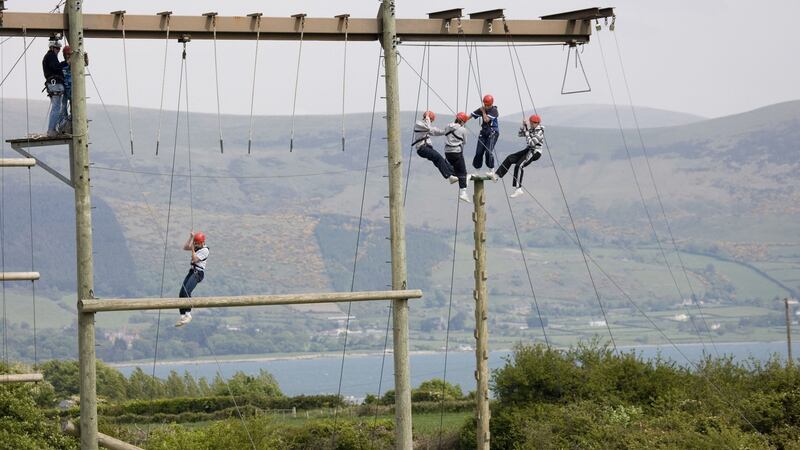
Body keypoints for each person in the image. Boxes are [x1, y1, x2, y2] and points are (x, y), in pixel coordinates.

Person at [491, 114, 544, 198]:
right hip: (528, 150)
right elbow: (520, 134)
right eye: (530, 123)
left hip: (535, 152)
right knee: (510, 158)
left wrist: (527, 132)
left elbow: (531, 143)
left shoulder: (540, 131)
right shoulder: (532, 129)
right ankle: (497, 175)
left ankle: (518, 189)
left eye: (532, 123)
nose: (531, 124)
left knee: (519, 166)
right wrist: (524, 126)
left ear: (537, 123)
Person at [411, 110, 459, 185]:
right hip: (422, 148)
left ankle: (456, 173)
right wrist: (427, 117)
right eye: (431, 120)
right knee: (438, 157)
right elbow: (429, 127)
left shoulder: (425, 126)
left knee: (441, 160)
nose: (431, 122)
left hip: (427, 148)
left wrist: (446, 131)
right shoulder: (419, 124)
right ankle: (449, 176)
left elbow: (435, 131)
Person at [176, 231, 209, 327]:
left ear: (202, 243)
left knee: (187, 291)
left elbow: (194, 259)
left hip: (198, 273)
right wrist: (191, 238)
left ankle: (188, 314)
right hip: (192, 271)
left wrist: (193, 249)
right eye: (196, 243)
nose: (196, 245)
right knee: (181, 293)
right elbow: (185, 247)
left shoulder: (205, 250)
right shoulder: (196, 246)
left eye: (198, 243)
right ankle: (182, 316)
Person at [467, 94, 500, 174]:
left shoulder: (494, 110)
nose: (486, 106)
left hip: (493, 132)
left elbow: (486, 120)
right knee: (479, 152)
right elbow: (471, 115)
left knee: (488, 151)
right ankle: (477, 170)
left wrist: (483, 111)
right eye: (485, 104)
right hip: (484, 132)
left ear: (491, 104)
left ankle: (491, 170)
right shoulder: (483, 109)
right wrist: (461, 121)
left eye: (488, 105)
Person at [445, 112, 472, 203]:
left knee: (452, 167)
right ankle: (463, 193)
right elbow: (465, 142)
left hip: (447, 152)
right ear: (463, 121)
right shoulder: (463, 130)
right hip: (457, 152)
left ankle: (452, 176)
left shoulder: (448, 126)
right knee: (462, 172)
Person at [41, 35, 65, 137]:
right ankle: (51, 130)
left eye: (59, 48)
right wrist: (66, 63)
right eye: (57, 48)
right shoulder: (50, 56)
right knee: (56, 108)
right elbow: (56, 67)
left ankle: (55, 128)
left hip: (53, 84)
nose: (58, 50)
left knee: (57, 107)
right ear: (52, 48)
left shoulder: (50, 57)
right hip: (55, 84)